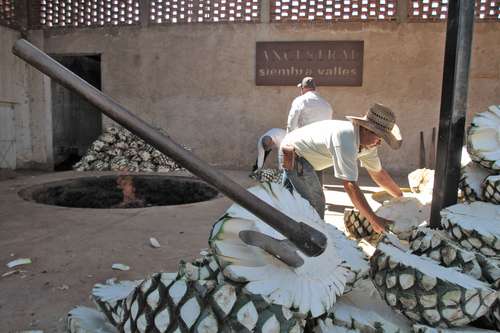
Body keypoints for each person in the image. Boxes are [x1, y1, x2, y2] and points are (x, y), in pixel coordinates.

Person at [280, 103, 403, 233]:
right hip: (295, 153)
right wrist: (374, 220)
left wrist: (401, 197)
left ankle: (285, 234)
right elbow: (350, 185)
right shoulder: (346, 138)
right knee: (315, 206)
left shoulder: (369, 145)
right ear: (366, 129)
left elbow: (378, 174)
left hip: (309, 158)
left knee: (290, 202)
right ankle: (311, 246)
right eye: (379, 137)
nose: (380, 142)